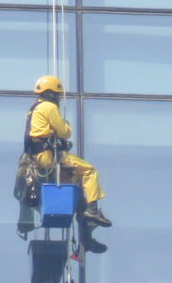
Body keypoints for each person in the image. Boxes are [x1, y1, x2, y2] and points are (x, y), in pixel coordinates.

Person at [26, 75, 112, 229]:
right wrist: (66, 125)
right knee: (89, 171)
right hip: (48, 156)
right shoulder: (49, 107)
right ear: (51, 93)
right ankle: (92, 210)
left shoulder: (34, 109)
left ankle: (86, 225)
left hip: (38, 156)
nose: (59, 98)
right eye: (57, 94)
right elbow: (64, 132)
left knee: (75, 181)